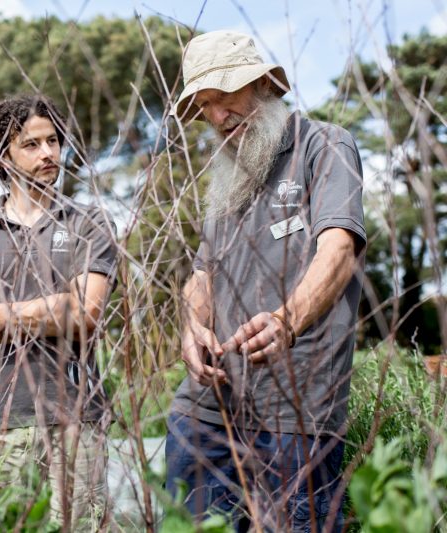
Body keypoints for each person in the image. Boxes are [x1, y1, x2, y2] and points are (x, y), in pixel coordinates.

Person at [165, 30, 365, 532]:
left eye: (223, 97)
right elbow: (201, 275)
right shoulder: (227, 175)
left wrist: (285, 321)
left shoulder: (323, 146)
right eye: (203, 106)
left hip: (297, 407)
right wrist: (192, 329)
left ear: (261, 84)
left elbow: (339, 250)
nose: (215, 117)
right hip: (210, 407)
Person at [0, 94, 118, 528]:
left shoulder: (87, 223)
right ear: (3, 155)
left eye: (53, 141)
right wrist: (51, 310)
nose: (48, 154)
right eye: (31, 144)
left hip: (75, 422)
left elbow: (84, 314)